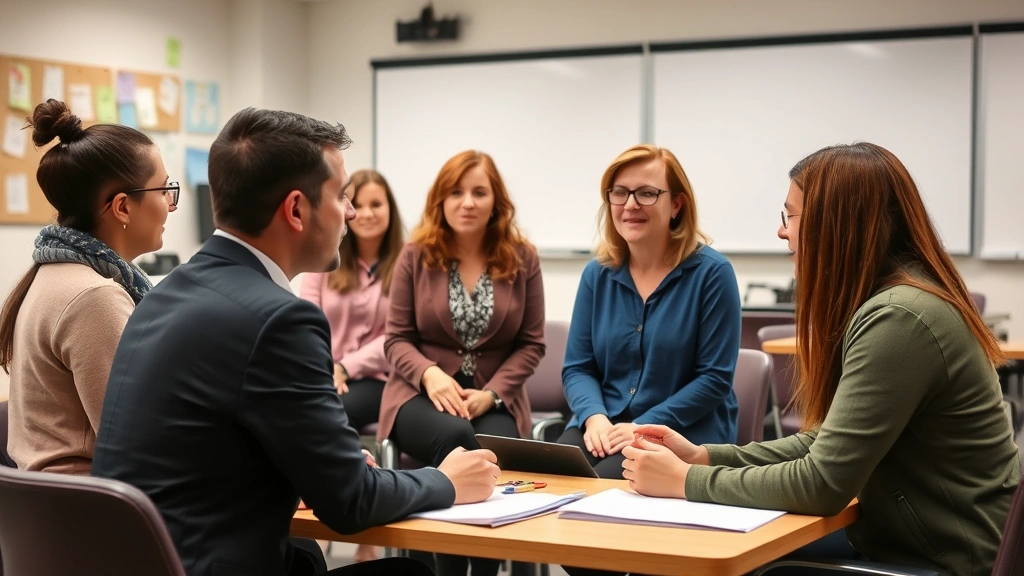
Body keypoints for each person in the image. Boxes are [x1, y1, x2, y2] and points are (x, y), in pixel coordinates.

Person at [90, 108, 500, 576]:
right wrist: (444, 481)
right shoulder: (281, 320)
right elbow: (351, 502)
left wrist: (310, 467)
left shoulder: (163, 294)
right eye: (342, 196)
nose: (350, 212)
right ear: (297, 210)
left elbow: (206, 449)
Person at [623, 142, 1022, 576]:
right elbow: (826, 442)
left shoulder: (899, 318)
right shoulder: (898, 303)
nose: (782, 232)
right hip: (916, 538)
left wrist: (684, 482)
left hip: (949, 560)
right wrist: (705, 458)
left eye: (789, 216)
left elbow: (822, 484)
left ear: (835, 224)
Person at [379, 150, 545, 576]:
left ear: (497, 202)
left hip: (493, 398)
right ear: (440, 200)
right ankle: (456, 568)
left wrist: (492, 394)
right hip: (418, 395)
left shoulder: (522, 257)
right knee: (455, 437)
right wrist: (429, 374)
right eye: (456, 192)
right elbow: (396, 339)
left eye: (478, 192)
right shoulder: (415, 254)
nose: (467, 202)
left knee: (491, 449)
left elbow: (531, 344)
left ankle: (479, 568)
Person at [0, 99, 176, 474]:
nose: (170, 205)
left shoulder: (53, 273)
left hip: (64, 513)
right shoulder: (95, 297)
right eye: (164, 190)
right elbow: (139, 446)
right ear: (123, 207)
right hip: (93, 516)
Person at [558, 144, 741, 480]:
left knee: (607, 486)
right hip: (604, 425)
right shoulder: (597, 274)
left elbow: (714, 379)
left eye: (646, 193)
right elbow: (578, 368)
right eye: (620, 193)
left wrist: (642, 426)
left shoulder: (713, 274)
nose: (630, 205)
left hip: (682, 432)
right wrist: (594, 416)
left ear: (676, 204)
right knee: (554, 477)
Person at [299, 168, 404, 564]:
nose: (366, 212)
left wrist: (345, 366)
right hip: (326, 373)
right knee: (317, 409)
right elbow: (306, 316)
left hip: (381, 379)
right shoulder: (323, 257)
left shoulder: (405, 262)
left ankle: (362, 532)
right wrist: (327, 366)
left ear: (390, 210)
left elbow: (396, 335)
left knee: (333, 414)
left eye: (377, 204)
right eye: (357, 203)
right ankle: (326, 518)